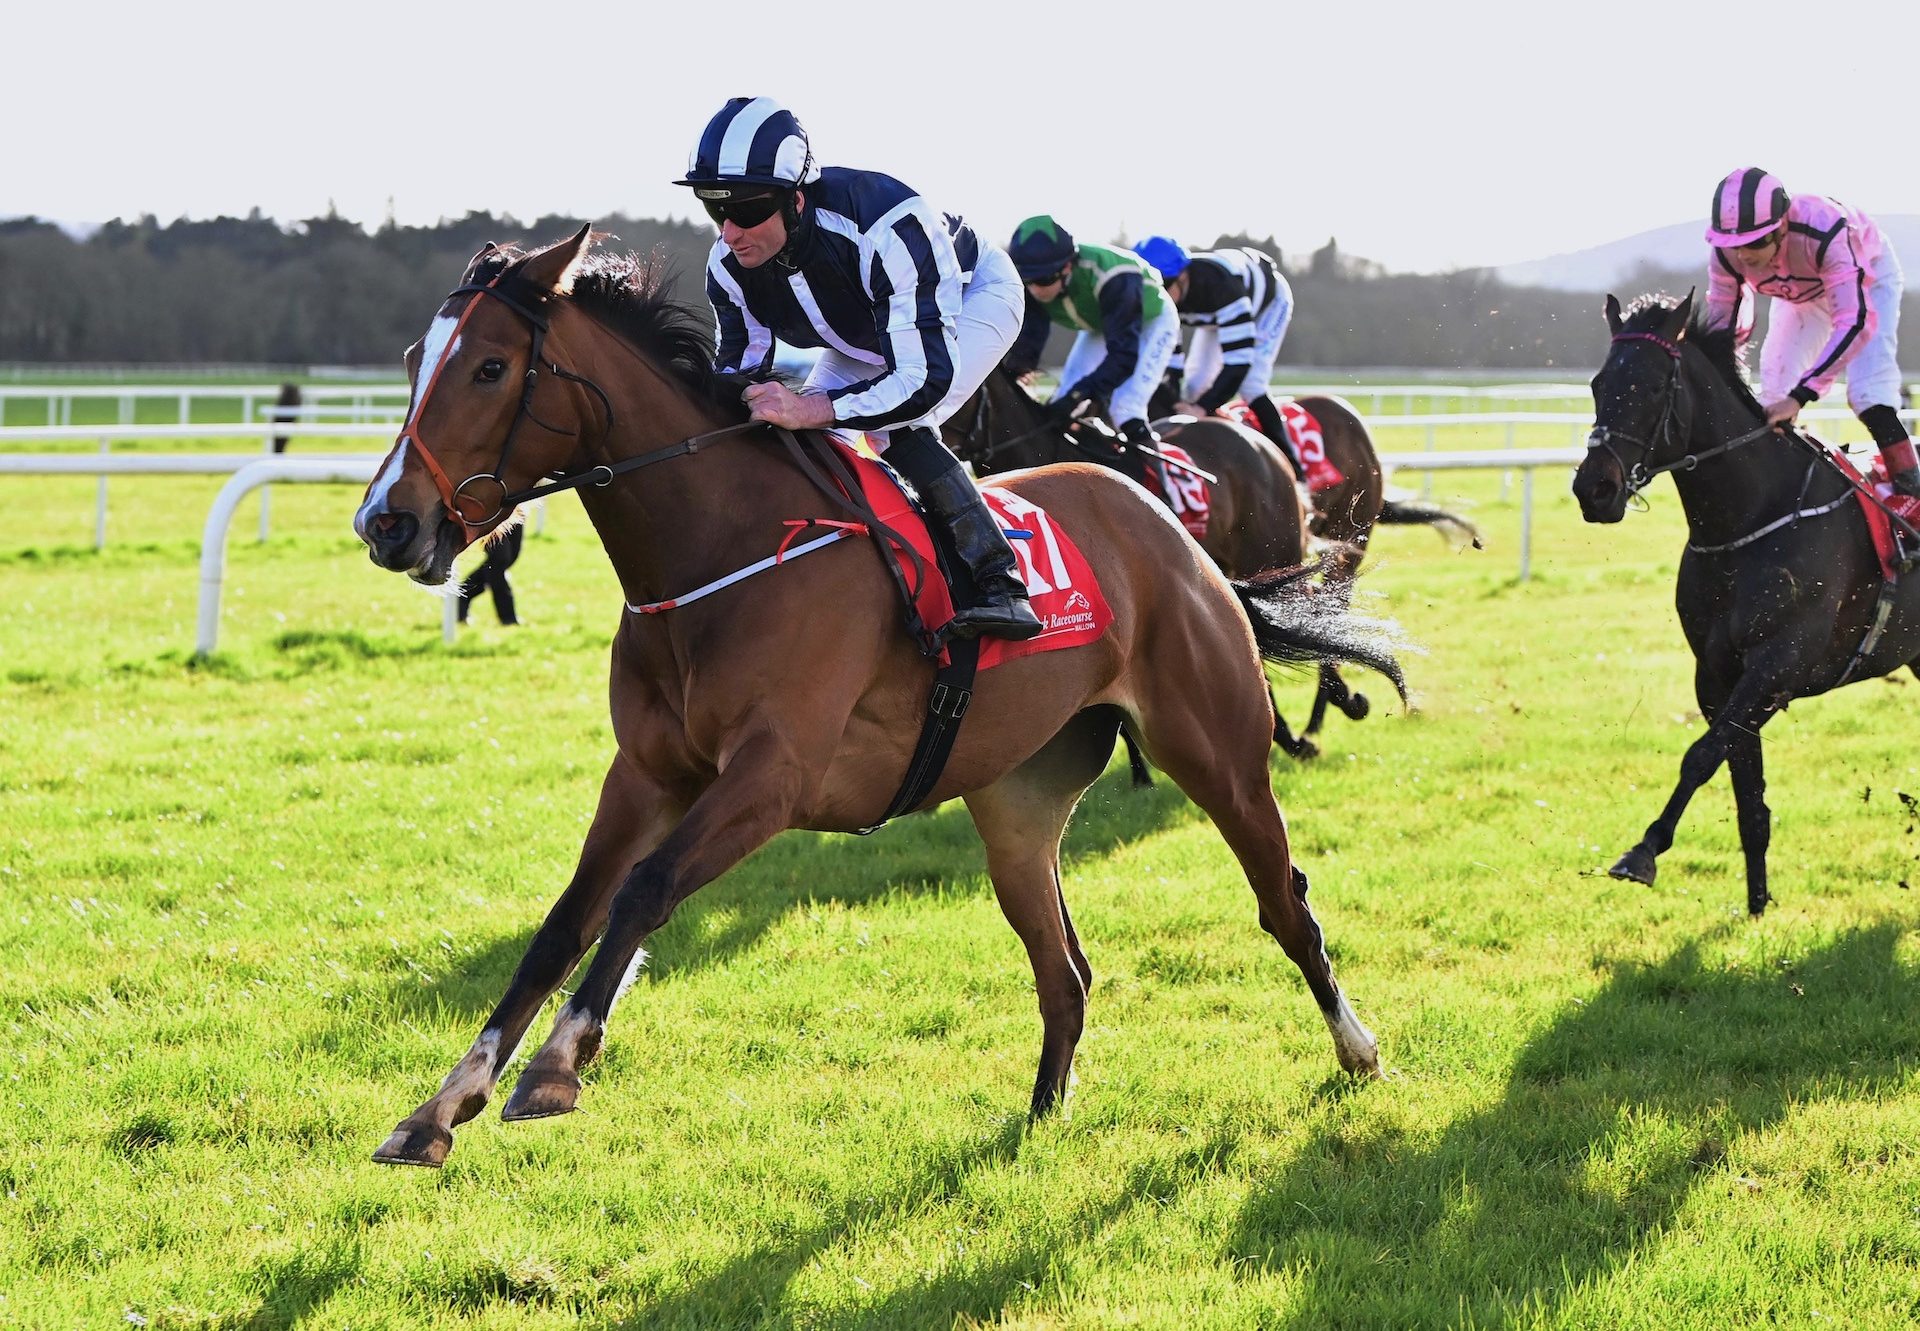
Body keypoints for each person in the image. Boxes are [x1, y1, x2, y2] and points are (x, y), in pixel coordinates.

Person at [675, 96, 1040, 641]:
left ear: (797, 200)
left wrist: (811, 406)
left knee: (895, 426)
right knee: (817, 443)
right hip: (864, 329)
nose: (729, 232)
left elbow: (921, 381)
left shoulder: (887, 225)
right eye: (714, 209)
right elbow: (739, 372)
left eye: (748, 211)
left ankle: (999, 581)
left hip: (973, 297)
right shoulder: (728, 265)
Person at [1703, 167, 1915, 498]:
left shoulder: (1825, 226)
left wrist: (1802, 394)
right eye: (1735, 244)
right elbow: (1720, 327)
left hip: (1865, 280)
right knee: (1772, 399)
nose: (1743, 254)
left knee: (1867, 392)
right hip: (1800, 295)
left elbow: (1853, 320)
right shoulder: (1726, 253)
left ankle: (1912, 494)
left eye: (1755, 242)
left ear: (1782, 226)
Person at [1002, 216, 1182, 481]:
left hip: (1151, 320)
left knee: (1125, 408)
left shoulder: (1114, 277)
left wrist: (1081, 394)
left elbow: (1123, 358)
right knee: (1061, 399)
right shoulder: (1038, 282)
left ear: (1068, 267)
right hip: (1102, 323)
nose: (1036, 290)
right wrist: (1015, 371)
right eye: (1028, 280)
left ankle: (1166, 493)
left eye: (1044, 279)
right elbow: (1031, 338)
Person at [1132, 236, 1303, 472]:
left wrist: (1201, 409)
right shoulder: (1165, 294)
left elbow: (1238, 363)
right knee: (1194, 387)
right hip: (1214, 314)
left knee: (1252, 384)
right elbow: (1169, 363)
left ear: (1182, 277)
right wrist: (1176, 404)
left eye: (1162, 289)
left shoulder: (1219, 288)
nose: (1156, 298)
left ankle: (1293, 468)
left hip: (1265, 303)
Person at [457, 523, 523, 626]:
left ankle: (461, 595)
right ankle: (508, 617)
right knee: (499, 559)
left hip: (515, 509)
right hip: (491, 515)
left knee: (511, 556)